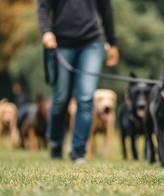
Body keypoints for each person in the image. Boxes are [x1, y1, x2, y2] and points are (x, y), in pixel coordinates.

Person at [37, 0, 120, 162]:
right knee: (61, 97)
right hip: (61, 44)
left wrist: (113, 42)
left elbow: (106, 10)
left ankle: (78, 150)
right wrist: (46, 31)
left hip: (92, 43)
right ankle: (55, 143)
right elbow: (42, 7)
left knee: (86, 97)